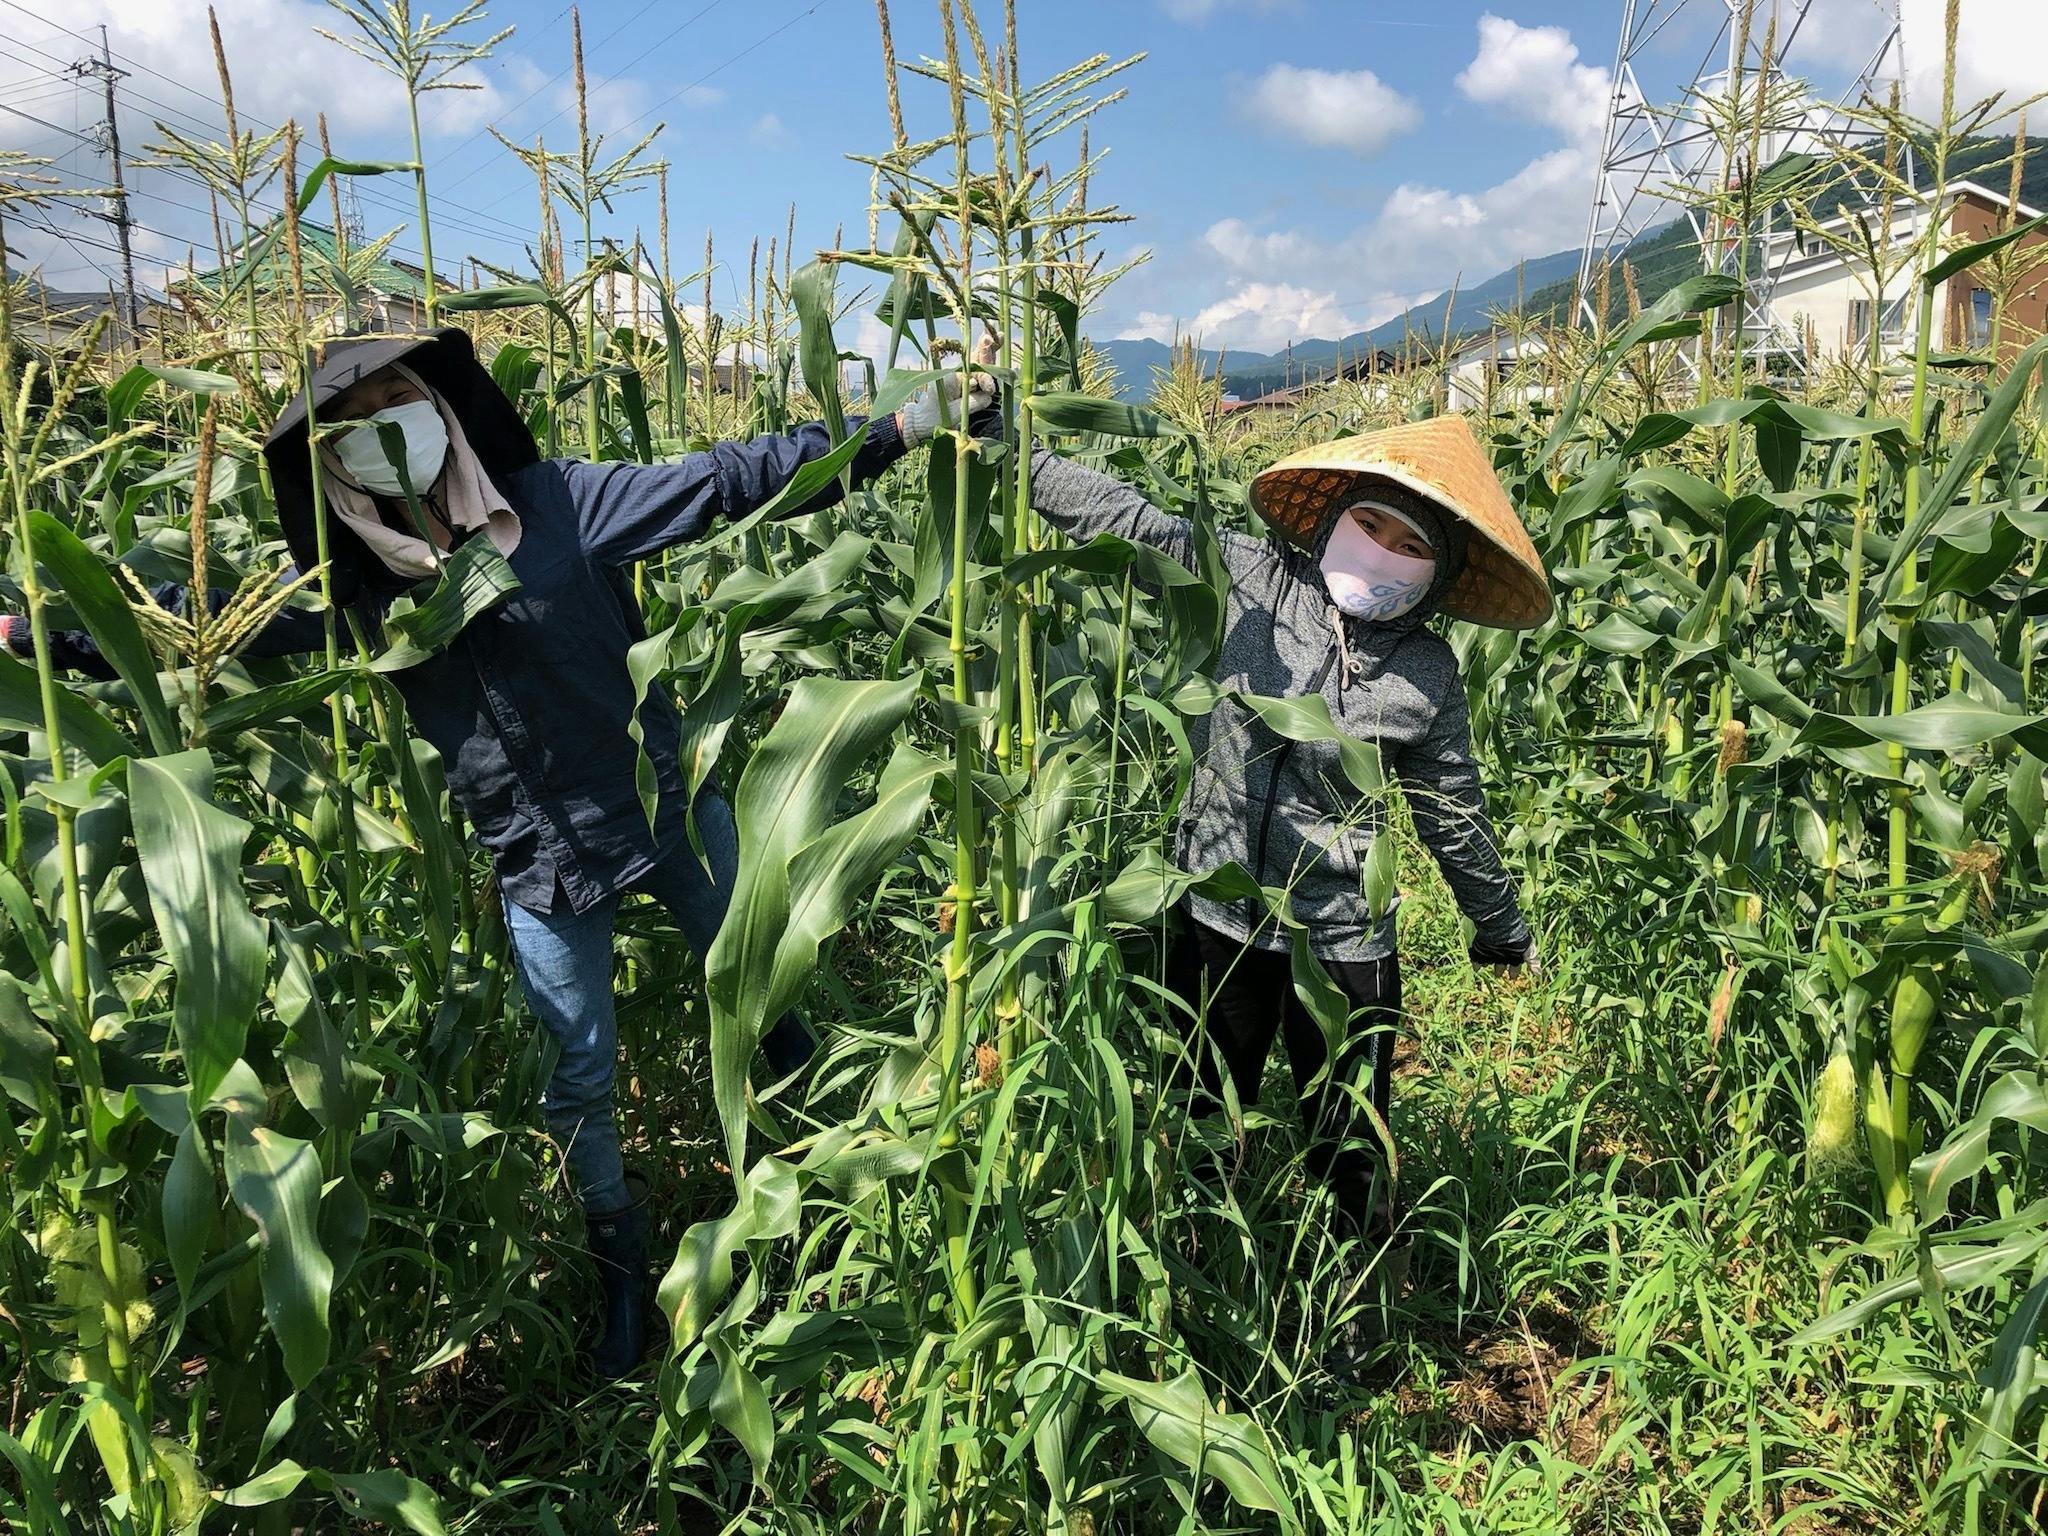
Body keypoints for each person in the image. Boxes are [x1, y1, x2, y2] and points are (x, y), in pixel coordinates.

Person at [6, 327, 991, 1379]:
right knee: (579, 1078)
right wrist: (40, 636)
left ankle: (832, 1178)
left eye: (396, 398)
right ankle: (622, 1275)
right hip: (543, 860)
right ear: (330, 464)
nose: (384, 429)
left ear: (440, 405)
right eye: (352, 424)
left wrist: (894, 430)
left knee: (762, 981)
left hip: (664, 808)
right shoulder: (356, 589)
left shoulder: (561, 504)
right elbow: (200, 624)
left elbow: (725, 480)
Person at [1026, 414, 1547, 1366]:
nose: (1381, 552)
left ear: (1437, 572)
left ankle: (1353, 1311)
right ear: (1335, 517)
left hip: (1340, 935)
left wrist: (1500, 925)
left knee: (1349, 1138)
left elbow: (1452, 809)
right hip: (1216, 906)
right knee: (1201, 1112)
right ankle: (1195, 1288)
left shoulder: (1427, 672)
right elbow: (1127, 522)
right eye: (1371, 524)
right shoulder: (1246, 579)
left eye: (1410, 545)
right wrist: (1014, 448)